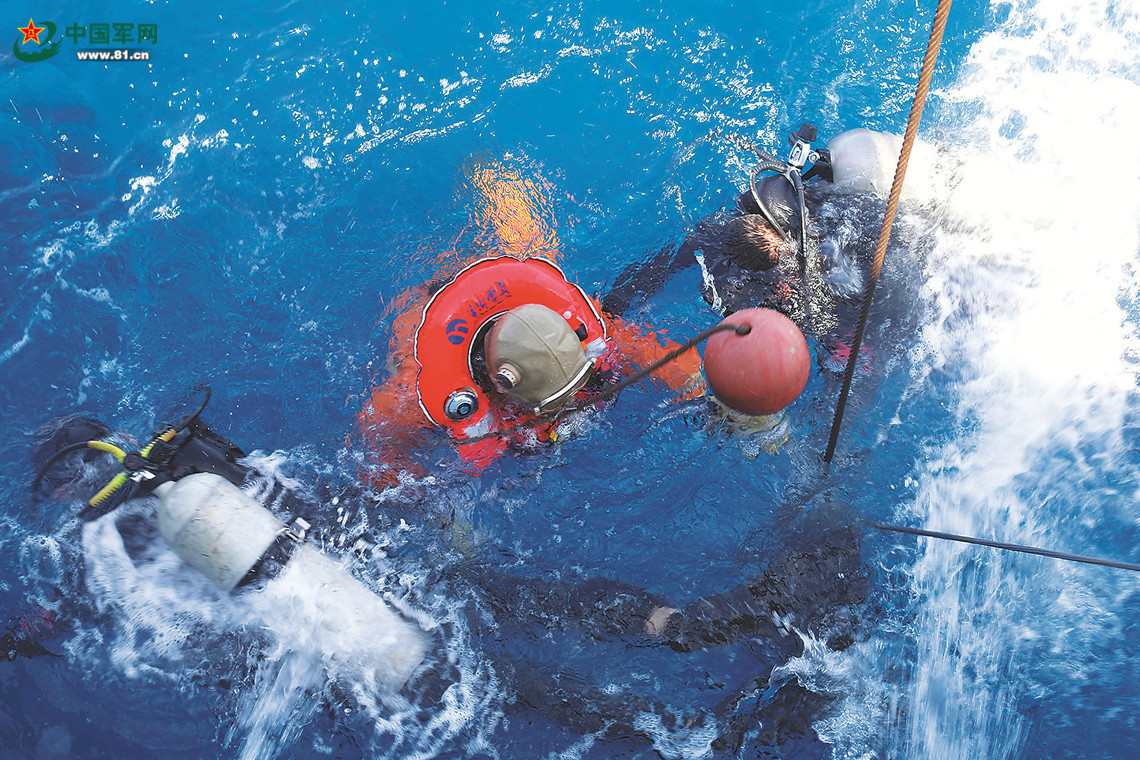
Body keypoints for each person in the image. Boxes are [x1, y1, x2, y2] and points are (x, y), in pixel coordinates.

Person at [20, 393, 867, 754]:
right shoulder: (197, 458)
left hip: (369, 642)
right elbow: (320, 498)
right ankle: (705, 622)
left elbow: (138, 639)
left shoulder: (92, 558)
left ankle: (699, 739)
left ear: (66, 481)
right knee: (554, 604)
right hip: (402, 572)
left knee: (520, 686)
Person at [356, 160, 706, 488]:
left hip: (516, 280)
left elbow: (664, 355)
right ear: (499, 382)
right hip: (434, 313)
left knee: (533, 242)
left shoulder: (580, 322)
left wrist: (707, 390)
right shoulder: (413, 393)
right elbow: (378, 439)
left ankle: (491, 170)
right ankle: (479, 166)